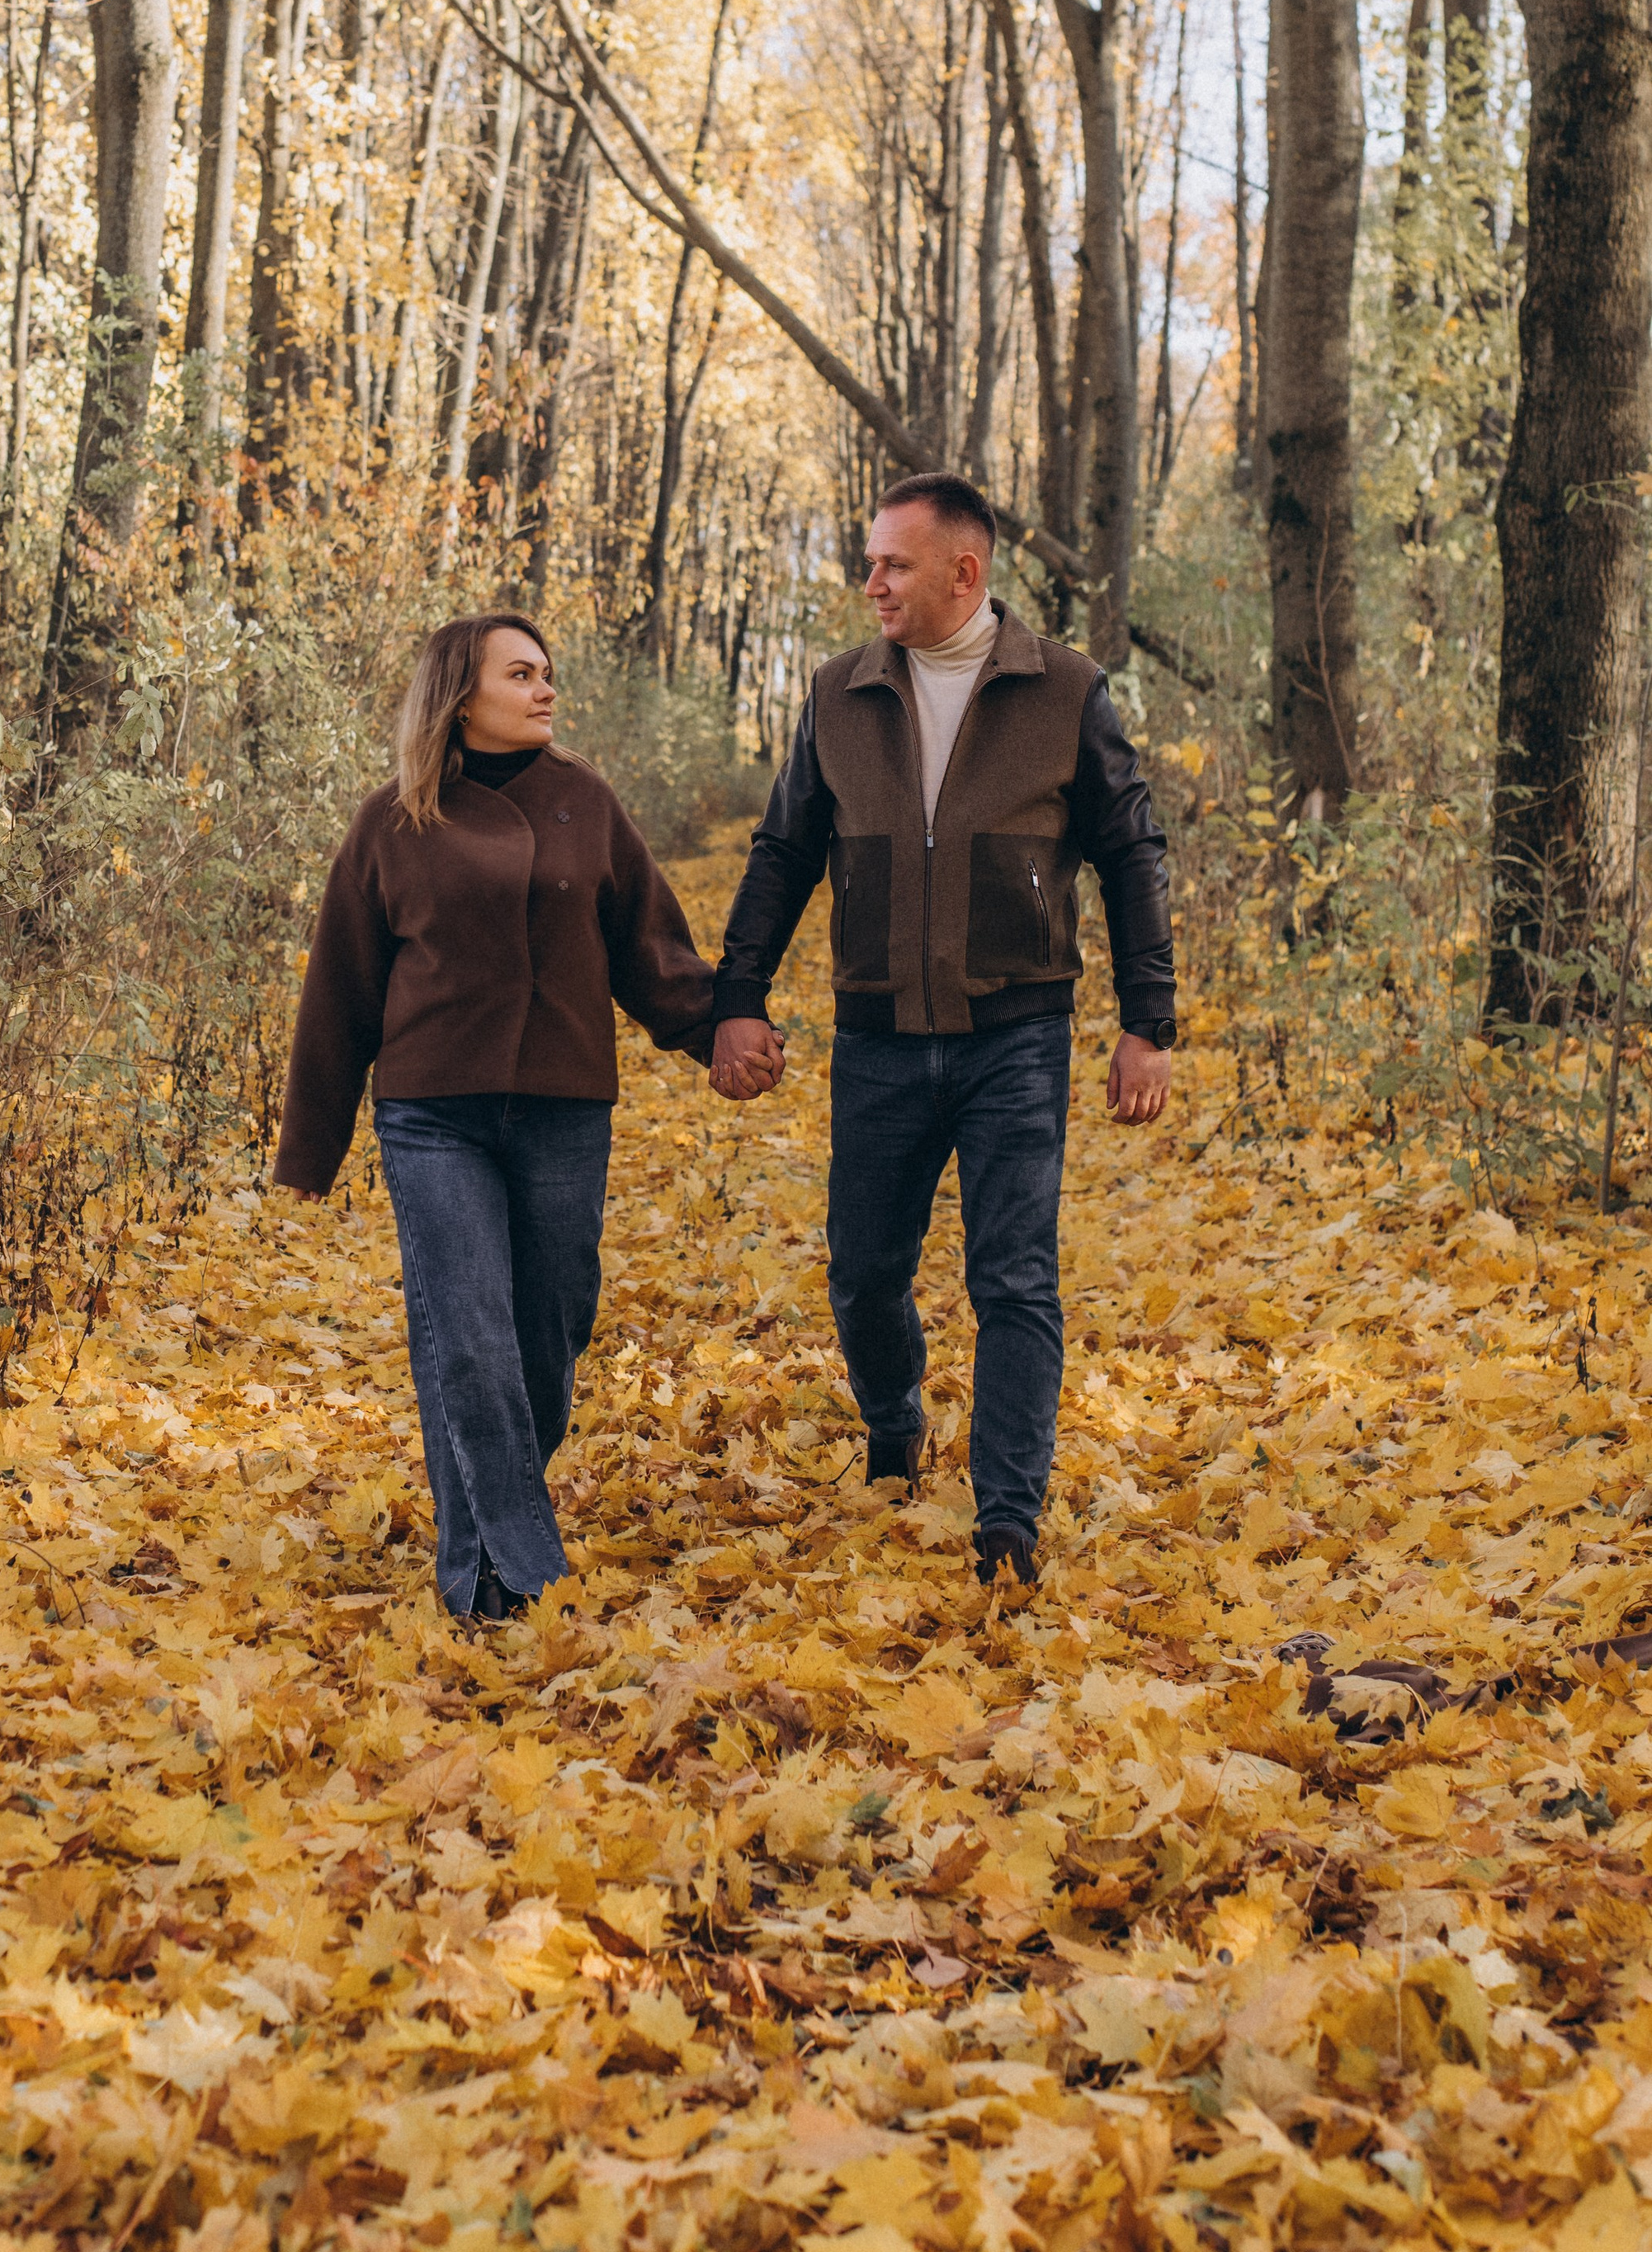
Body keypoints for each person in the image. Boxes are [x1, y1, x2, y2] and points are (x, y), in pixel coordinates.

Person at [706, 472, 1176, 1587]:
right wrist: (738, 995)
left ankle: (1008, 1519)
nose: (871, 581)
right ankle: (893, 1422)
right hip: (876, 1040)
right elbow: (782, 852)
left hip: (1015, 1037)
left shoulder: (1065, 691)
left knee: (1013, 1278)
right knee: (865, 1272)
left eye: (893, 564)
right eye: (871, 561)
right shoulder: (839, 693)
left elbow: (1132, 853)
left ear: (964, 574)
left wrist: (1146, 1023)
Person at [273, 611, 753, 1622]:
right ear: (461, 692)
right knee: (470, 1336)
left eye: (547, 672)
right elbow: (342, 990)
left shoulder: (584, 802)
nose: (545, 690)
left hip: (563, 1107)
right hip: (431, 1112)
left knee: (548, 1333)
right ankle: (506, 1578)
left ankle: (486, 1537)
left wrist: (720, 1028)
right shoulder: (391, 822)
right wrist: (311, 1144)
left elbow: (649, 948)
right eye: (522, 673)